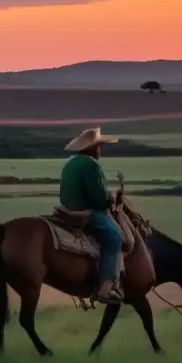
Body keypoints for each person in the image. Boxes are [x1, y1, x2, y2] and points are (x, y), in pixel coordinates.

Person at [59, 127, 124, 304]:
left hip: (66, 211)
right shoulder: (91, 164)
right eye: (99, 146)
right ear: (93, 148)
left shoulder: (69, 162)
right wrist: (110, 199)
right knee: (114, 238)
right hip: (87, 213)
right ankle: (106, 287)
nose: (100, 150)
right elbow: (99, 197)